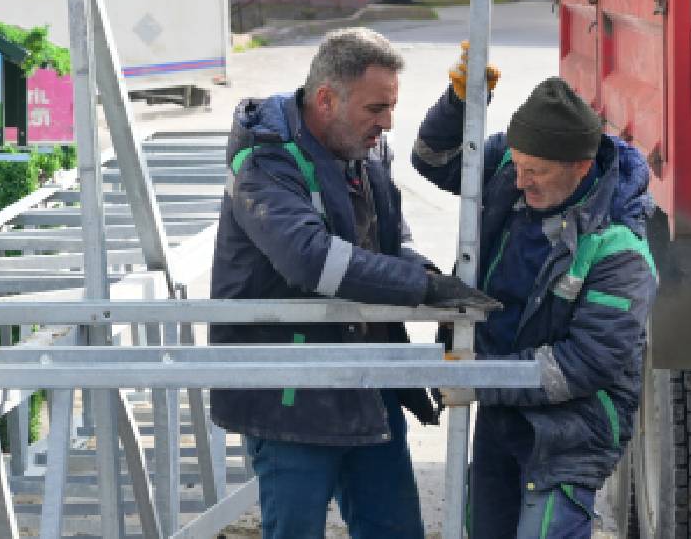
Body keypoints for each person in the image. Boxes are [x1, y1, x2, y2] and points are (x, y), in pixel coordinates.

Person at [210, 27, 501, 539]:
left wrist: (430, 276)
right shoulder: (264, 159)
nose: (387, 124)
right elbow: (310, 259)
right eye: (375, 108)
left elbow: (387, 248)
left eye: (391, 107)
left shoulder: (364, 151)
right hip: (290, 396)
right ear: (326, 98)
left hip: (365, 383)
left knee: (396, 531)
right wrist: (422, 289)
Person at [412, 66, 658, 537]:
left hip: (571, 429)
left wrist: (479, 379)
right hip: (502, 409)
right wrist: (460, 102)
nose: (520, 181)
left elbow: (587, 363)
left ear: (581, 167)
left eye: (536, 172)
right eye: (518, 165)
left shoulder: (618, 249)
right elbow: (434, 159)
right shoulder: (515, 164)